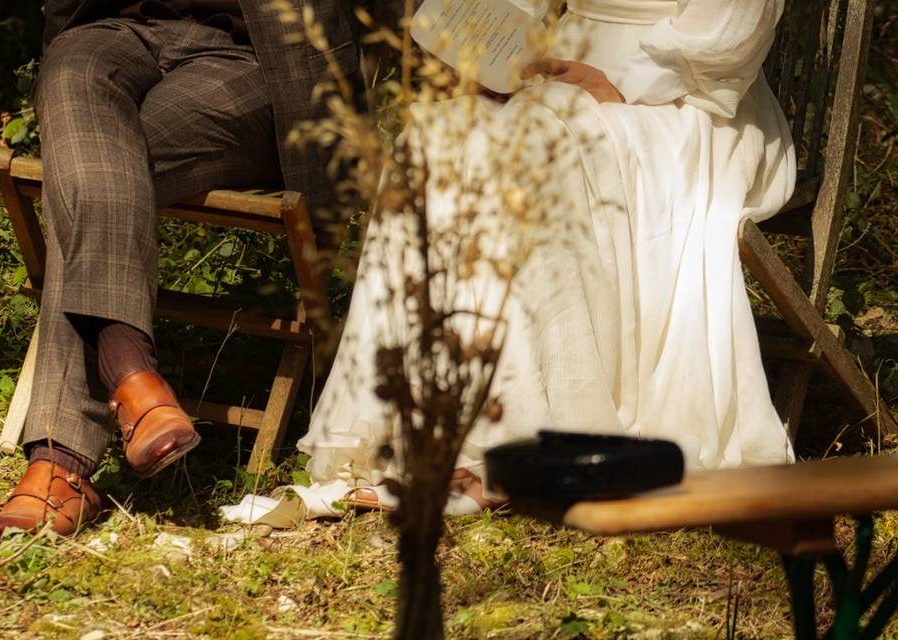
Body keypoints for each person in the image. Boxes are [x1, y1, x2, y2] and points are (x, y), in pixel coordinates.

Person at [291, 0, 797, 513]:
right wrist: (493, 55)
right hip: (559, 74)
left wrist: (621, 81)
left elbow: (732, 30)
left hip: (680, 99)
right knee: (430, 137)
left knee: (538, 146)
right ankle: (428, 426)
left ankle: (520, 443)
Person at [0, 0, 383, 547]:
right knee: (74, 76)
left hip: (254, 60)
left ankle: (60, 463)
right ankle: (133, 381)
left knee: (93, 163)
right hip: (116, 28)